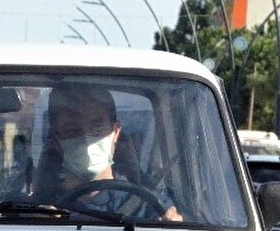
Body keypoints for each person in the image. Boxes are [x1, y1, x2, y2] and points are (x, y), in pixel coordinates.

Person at [35, 83, 181, 221]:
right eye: (72, 130)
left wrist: (172, 227)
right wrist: (37, 225)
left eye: (96, 127)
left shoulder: (151, 207)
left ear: (116, 133)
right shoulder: (34, 209)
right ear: (56, 139)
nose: (86, 139)